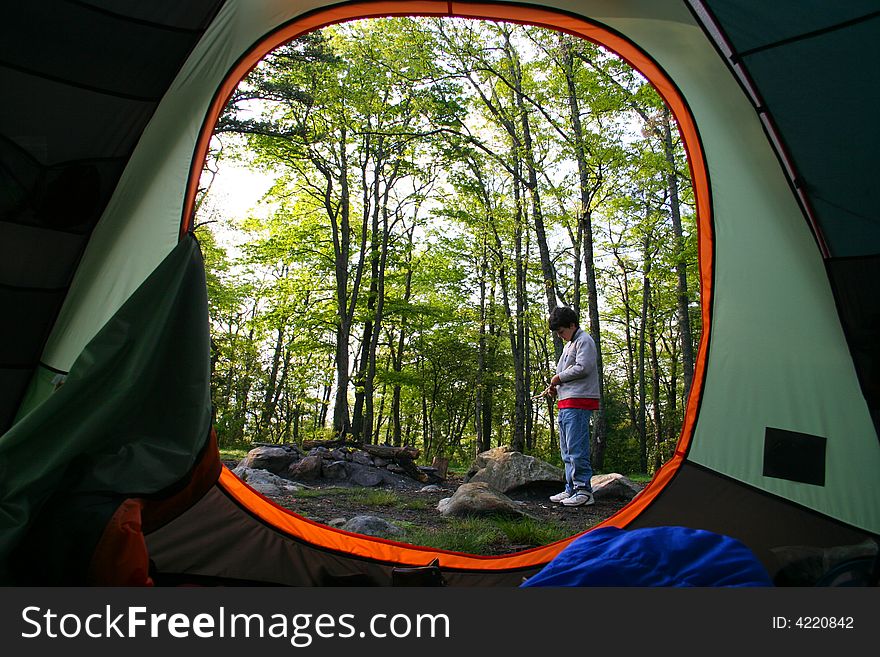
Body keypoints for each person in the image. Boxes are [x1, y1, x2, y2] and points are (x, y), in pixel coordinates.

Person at [541, 306, 599, 507]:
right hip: (565, 402)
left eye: (561, 331)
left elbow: (584, 367)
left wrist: (558, 378)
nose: (560, 336)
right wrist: (555, 387)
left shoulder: (584, 341)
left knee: (576, 447)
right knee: (566, 450)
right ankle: (571, 488)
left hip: (579, 401)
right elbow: (564, 373)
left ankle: (584, 491)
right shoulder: (569, 345)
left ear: (572, 325)